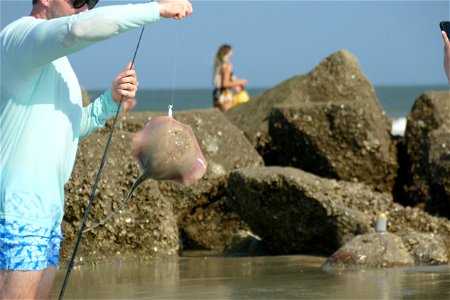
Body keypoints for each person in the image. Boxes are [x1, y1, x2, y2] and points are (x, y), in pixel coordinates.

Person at [0, 0, 192, 299]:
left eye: (91, 3)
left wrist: (109, 101)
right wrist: (156, 9)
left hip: (47, 213)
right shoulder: (21, 37)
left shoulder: (60, 65)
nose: (85, 9)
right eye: (78, 0)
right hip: (16, 211)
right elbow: (78, 30)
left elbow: (70, 127)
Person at [212, 44, 248, 111]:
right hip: (225, 95)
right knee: (227, 117)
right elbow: (225, 84)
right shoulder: (227, 66)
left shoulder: (218, 66)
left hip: (217, 94)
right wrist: (240, 82)